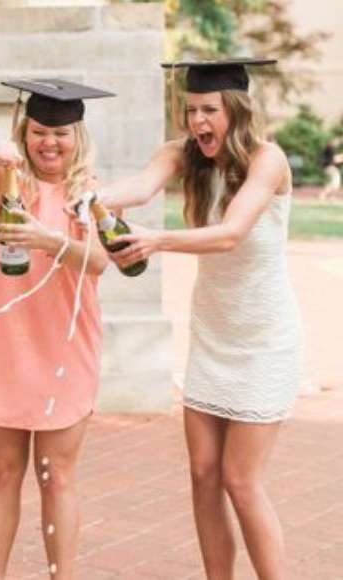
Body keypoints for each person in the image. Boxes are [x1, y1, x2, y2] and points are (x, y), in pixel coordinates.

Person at [96, 58, 303, 579]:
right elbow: (140, 187)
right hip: (212, 337)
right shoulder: (182, 154)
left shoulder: (267, 160)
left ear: (236, 109)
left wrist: (157, 240)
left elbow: (231, 233)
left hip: (264, 342)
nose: (198, 121)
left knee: (241, 480)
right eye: (190, 110)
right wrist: (85, 198)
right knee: (203, 475)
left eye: (209, 109)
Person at [0, 78, 112, 580]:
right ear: (25, 132)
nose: (49, 143)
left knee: (57, 477)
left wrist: (49, 239)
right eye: (39, 131)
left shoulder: (91, 191)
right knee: (2, 473)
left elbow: (101, 261)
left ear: (77, 136)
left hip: (66, 347)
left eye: (60, 133)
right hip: (7, 348)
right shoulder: (6, 180)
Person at [318, 136, 341, 202]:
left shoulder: (329, 148)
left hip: (327, 166)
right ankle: (323, 195)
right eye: (337, 141)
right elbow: (334, 160)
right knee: (335, 181)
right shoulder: (330, 148)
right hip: (328, 167)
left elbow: (333, 158)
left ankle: (331, 196)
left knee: (335, 182)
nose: (338, 143)